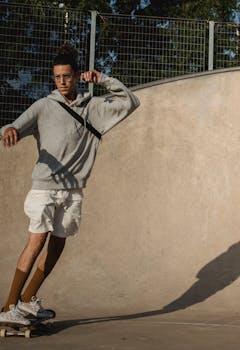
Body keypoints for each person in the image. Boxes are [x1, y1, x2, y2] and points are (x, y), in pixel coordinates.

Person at [0, 44, 140, 324]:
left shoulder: (93, 108)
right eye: (57, 77)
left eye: (66, 76)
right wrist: (10, 130)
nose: (62, 82)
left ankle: (27, 301)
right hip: (45, 187)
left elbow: (130, 102)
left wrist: (102, 80)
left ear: (77, 76)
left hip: (73, 190)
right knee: (37, 240)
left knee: (58, 245)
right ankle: (8, 308)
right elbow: (10, 127)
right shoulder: (44, 106)